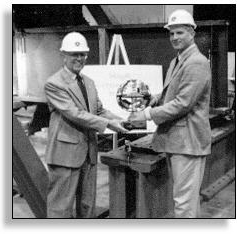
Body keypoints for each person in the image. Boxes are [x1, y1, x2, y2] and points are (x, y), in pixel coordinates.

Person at [128, 9, 212, 218]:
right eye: (171, 33)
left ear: (192, 32)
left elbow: (183, 103)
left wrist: (146, 114)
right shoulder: (178, 60)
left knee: (184, 205)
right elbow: (177, 91)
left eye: (180, 32)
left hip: (188, 143)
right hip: (178, 141)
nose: (174, 37)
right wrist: (157, 97)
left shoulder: (196, 62)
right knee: (185, 202)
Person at [44, 32, 128, 218]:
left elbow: (98, 110)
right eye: (75, 54)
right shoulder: (54, 84)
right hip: (64, 155)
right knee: (60, 208)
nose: (79, 58)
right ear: (63, 55)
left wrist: (123, 120)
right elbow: (75, 114)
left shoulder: (88, 82)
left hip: (88, 153)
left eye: (82, 54)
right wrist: (109, 124)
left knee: (87, 206)